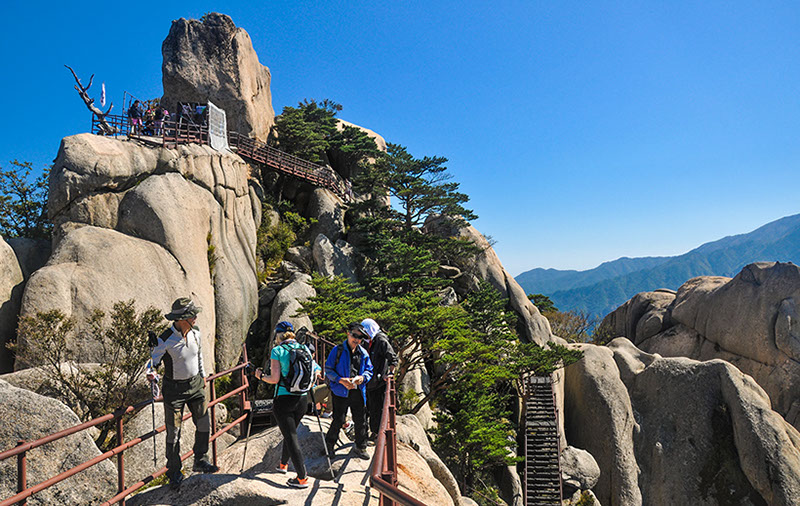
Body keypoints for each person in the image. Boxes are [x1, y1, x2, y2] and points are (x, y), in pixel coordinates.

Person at [146, 298, 218, 490]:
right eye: (192, 315)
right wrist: (151, 373)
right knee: (174, 433)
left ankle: (201, 460)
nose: (195, 318)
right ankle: (174, 471)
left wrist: (203, 375)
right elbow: (152, 363)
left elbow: (199, 355)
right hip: (174, 391)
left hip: (196, 385)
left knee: (204, 424)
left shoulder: (196, 332)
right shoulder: (165, 339)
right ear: (181, 319)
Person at [254, 326, 321, 489]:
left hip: (284, 400)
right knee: (290, 433)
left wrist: (260, 376)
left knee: (291, 437)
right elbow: (315, 371)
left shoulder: (277, 351)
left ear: (278, 335)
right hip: (302, 400)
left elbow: (274, 379)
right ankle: (283, 464)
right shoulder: (304, 348)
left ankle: (302, 478)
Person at [325, 322, 374, 460]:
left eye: (360, 337)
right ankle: (329, 445)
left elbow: (369, 370)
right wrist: (340, 380)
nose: (356, 339)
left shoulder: (363, 353)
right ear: (348, 333)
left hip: (357, 390)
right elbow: (328, 369)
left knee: (360, 419)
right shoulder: (337, 350)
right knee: (339, 418)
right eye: (354, 335)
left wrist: (362, 378)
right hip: (340, 390)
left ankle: (361, 446)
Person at [360, 318, 397, 441]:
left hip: (379, 382)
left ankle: (377, 434)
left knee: (377, 409)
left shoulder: (380, 340)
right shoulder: (367, 341)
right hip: (369, 381)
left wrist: (390, 373)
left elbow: (393, 358)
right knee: (368, 408)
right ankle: (371, 433)